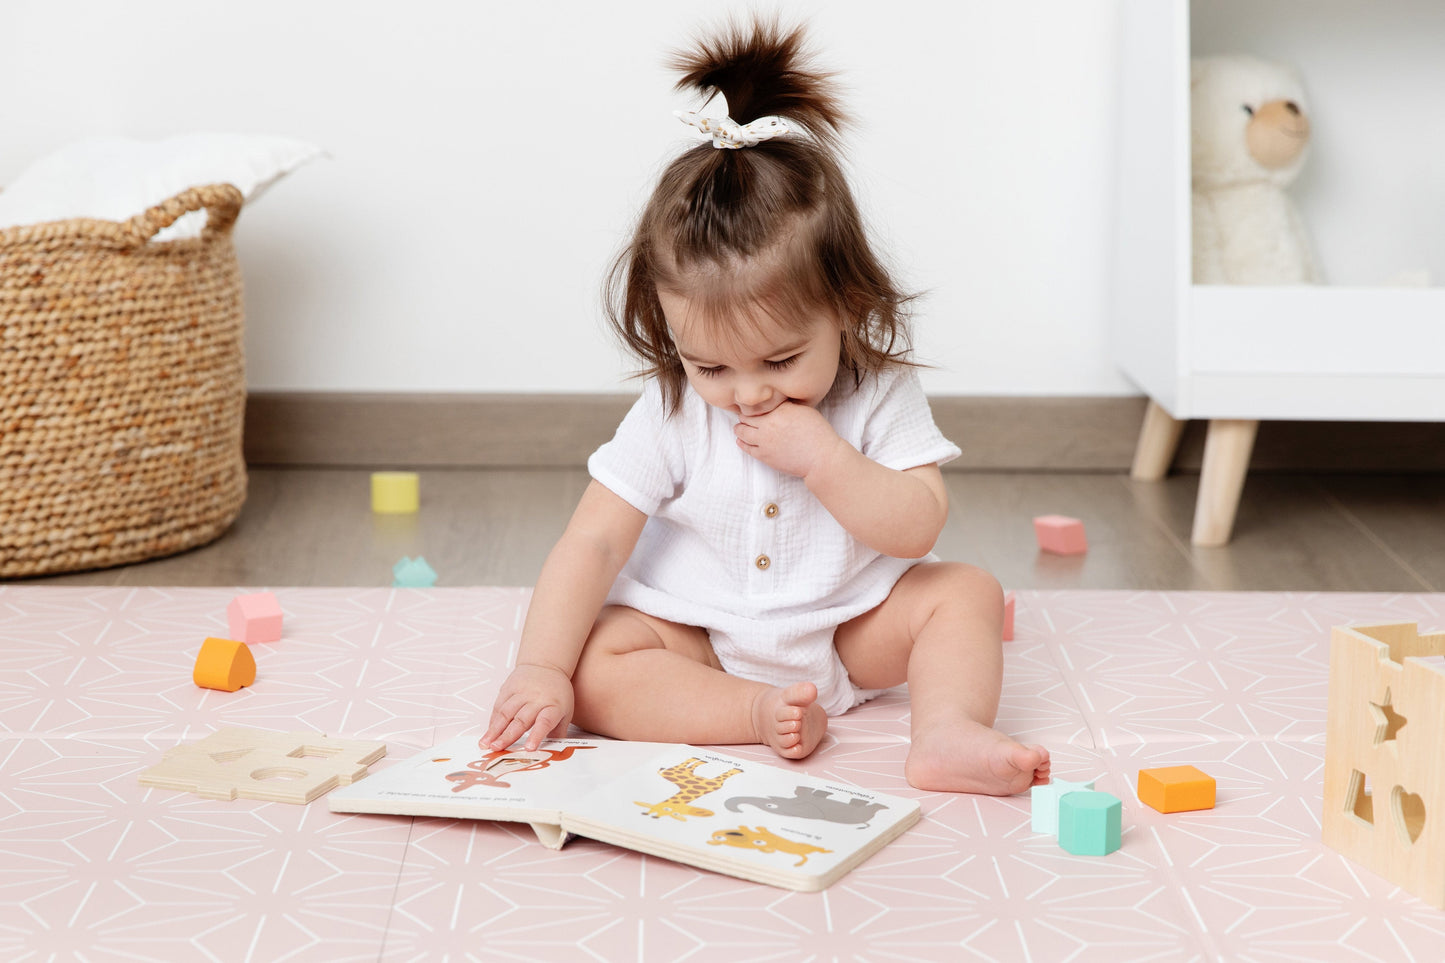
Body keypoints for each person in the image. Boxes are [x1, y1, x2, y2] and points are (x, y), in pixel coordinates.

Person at [483, 17, 1049, 795]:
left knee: (964, 593)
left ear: (845, 308)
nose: (745, 391)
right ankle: (751, 710)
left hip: (850, 629)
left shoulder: (877, 391)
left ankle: (947, 730)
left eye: (780, 360)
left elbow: (919, 522)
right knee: (596, 662)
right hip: (701, 635)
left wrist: (825, 458)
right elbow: (592, 546)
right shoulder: (673, 410)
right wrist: (539, 668)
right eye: (709, 363)